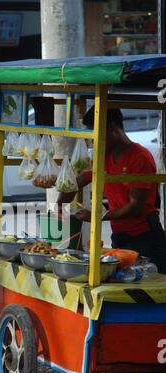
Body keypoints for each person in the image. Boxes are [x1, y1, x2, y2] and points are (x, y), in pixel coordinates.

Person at [57, 106, 166, 274]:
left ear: (112, 128)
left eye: (96, 134)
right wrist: (59, 203)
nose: (94, 140)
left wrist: (98, 216)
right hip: (119, 237)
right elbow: (78, 182)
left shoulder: (140, 158)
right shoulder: (103, 157)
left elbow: (135, 207)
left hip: (145, 239)